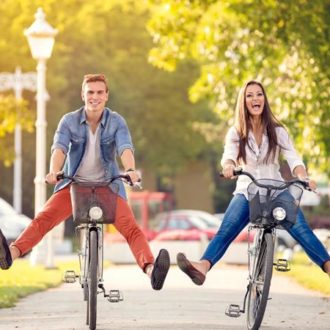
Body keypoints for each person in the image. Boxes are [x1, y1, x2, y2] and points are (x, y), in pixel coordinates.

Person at [0, 73, 170, 290]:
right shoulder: (69, 121)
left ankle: (151, 270)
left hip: (108, 186)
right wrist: (54, 171)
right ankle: (10, 256)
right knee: (43, 219)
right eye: (90, 92)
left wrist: (130, 170)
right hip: (74, 186)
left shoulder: (116, 121)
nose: (95, 97)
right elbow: (59, 148)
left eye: (100, 92)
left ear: (107, 96)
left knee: (132, 229)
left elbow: (124, 147)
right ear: (83, 95)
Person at [176, 79, 330, 284]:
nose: (255, 98)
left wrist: (303, 177)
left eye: (259, 94)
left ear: (264, 100)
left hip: (276, 191)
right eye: (249, 95)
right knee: (227, 228)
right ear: (244, 101)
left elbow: (293, 159)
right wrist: (229, 167)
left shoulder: (278, 131)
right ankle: (202, 267)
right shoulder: (236, 132)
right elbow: (228, 156)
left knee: (302, 230)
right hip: (247, 192)